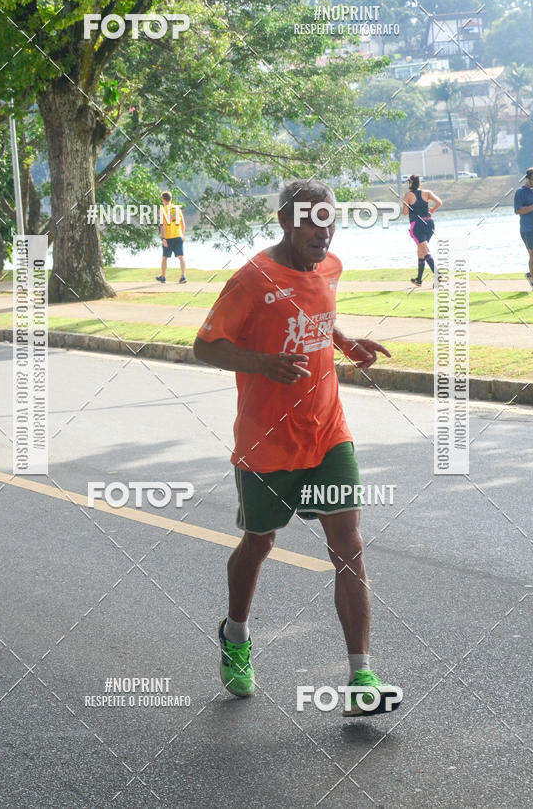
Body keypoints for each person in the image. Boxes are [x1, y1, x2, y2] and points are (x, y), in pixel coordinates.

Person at [193, 178, 401, 716]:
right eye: (311, 220)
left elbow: (316, 318)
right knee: (259, 543)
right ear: (286, 221)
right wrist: (263, 364)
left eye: (330, 220)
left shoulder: (330, 268)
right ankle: (235, 633)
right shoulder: (253, 278)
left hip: (328, 433)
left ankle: (360, 678)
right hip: (267, 444)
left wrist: (344, 341)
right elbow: (205, 346)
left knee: (348, 546)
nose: (323, 231)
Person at [402, 174, 442, 286]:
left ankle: (438, 274)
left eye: (408, 182)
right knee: (421, 251)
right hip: (429, 224)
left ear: (411, 183)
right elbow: (439, 202)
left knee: (425, 250)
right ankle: (419, 279)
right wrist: (433, 210)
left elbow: (405, 212)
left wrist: (406, 204)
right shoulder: (427, 192)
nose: (408, 184)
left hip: (417, 225)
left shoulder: (407, 195)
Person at [514, 168, 533, 292]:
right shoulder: (520, 192)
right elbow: (518, 210)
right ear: (527, 179)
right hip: (528, 230)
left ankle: (532, 274)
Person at [155, 190, 187, 284]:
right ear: (171, 199)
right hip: (178, 236)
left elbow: (163, 225)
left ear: (163, 199)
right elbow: (183, 224)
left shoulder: (162, 210)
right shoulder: (178, 209)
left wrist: (163, 238)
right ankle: (183, 276)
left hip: (168, 237)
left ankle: (163, 276)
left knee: (165, 257)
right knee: (181, 257)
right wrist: (182, 235)